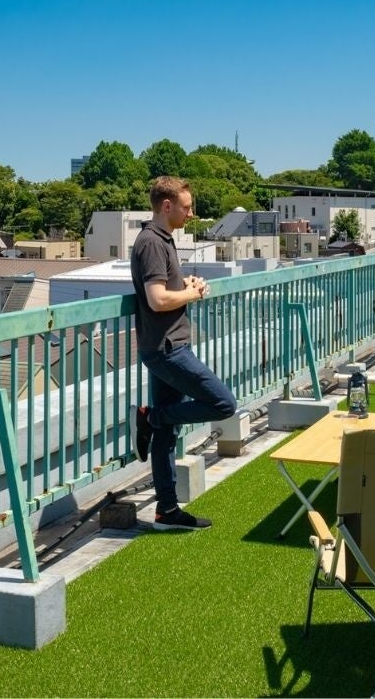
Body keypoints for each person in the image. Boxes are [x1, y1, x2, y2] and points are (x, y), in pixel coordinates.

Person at [129, 176, 237, 530]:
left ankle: (167, 510)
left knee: (166, 434)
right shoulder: (151, 242)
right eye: (187, 207)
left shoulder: (163, 239)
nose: (191, 214)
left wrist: (188, 284)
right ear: (167, 206)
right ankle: (151, 417)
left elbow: (166, 288)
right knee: (224, 404)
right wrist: (193, 294)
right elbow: (157, 299)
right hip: (167, 349)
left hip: (166, 345)